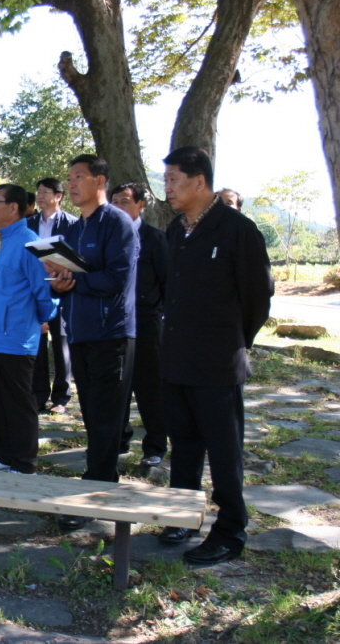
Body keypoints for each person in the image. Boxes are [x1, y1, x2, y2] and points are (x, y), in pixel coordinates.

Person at [157, 146, 273, 565]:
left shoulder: (237, 230)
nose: (166, 187)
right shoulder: (176, 230)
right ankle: (183, 517)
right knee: (183, 444)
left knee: (224, 451)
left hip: (218, 362)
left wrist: (234, 343)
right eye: (166, 179)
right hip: (176, 359)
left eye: (173, 179)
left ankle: (229, 531)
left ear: (199, 181)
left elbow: (258, 300)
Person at [46, 155, 137, 530]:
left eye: (78, 177)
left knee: (106, 415)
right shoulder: (73, 228)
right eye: (68, 178)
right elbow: (69, 278)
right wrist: (58, 280)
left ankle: (98, 489)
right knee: (92, 414)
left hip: (111, 334)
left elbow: (116, 278)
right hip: (79, 331)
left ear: (100, 180)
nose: (71, 184)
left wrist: (76, 281)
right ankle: (100, 480)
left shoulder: (117, 222)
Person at [0, 185, 58, 475]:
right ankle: (3, 454)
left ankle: (24, 462)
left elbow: (46, 292)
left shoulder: (32, 242)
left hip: (16, 337)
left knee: (19, 403)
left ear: (13, 208)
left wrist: (41, 319)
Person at [109, 182, 169, 467]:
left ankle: (155, 446)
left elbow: (167, 283)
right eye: (115, 201)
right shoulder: (108, 236)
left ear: (141, 205)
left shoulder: (155, 239)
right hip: (114, 321)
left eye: (124, 201)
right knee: (116, 385)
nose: (118, 207)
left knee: (150, 388)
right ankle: (118, 440)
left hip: (145, 322)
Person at [27, 177, 77, 415]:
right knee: (37, 341)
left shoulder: (73, 224)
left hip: (63, 287)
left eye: (46, 192)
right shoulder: (28, 224)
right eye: (38, 192)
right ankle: (38, 394)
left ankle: (61, 396)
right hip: (36, 288)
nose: (40, 196)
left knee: (61, 340)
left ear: (59, 196)